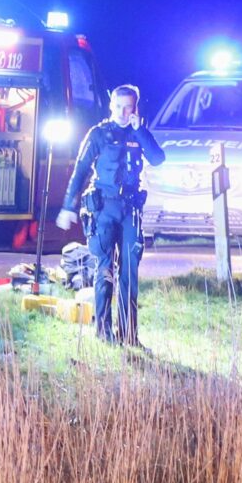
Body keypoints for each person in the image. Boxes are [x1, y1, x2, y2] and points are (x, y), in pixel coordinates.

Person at [56, 84, 163, 344]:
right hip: (104, 209)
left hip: (130, 210)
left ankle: (129, 335)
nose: (124, 113)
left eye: (129, 107)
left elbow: (158, 158)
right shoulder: (99, 134)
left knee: (129, 273)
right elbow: (80, 170)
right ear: (111, 106)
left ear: (135, 108)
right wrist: (68, 207)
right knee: (104, 272)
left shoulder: (139, 133)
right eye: (119, 107)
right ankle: (104, 334)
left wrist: (141, 131)